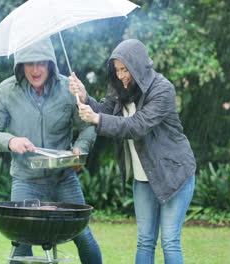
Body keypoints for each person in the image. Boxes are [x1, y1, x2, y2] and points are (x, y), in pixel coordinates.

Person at [69, 39, 196, 264]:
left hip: (173, 174)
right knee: (145, 241)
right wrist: (84, 96)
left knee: (169, 241)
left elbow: (137, 126)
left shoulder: (162, 89)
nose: (121, 75)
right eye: (117, 70)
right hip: (143, 177)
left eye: (125, 69)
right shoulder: (120, 88)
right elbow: (104, 110)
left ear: (137, 65)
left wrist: (97, 119)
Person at [0, 37, 102, 264]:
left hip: (64, 178)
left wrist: (79, 148)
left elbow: (88, 126)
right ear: (20, 66)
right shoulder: (6, 90)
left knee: (83, 235)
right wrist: (10, 140)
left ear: (51, 64)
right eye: (29, 63)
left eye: (41, 63)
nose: (35, 70)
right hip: (26, 179)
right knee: (21, 241)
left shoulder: (69, 88)